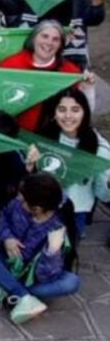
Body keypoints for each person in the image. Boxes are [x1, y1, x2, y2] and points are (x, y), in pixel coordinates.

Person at [0, 173, 80, 324]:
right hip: (8, 263)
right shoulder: (18, 204)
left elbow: (45, 276)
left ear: (37, 208)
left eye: (23, 200)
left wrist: (52, 253)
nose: (18, 200)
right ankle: (22, 295)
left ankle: (5, 290)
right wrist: (6, 237)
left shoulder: (57, 228)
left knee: (72, 282)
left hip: (33, 278)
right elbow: (3, 216)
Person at [33, 89, 110, 241]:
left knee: (64, 256)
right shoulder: (43, 138)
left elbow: (102, 194)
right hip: (41, 209)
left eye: (75, 110)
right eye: (62, 109)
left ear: (85, 113)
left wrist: (108, 185)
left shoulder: (99, 148)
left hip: (76, 212)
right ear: (54, 112)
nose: (68, 116)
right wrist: (30, 167)